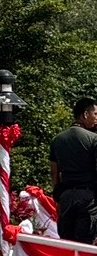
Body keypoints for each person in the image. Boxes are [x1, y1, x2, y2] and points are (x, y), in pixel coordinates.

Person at [50, 98, 97, 243]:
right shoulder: (93, 139)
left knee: (67, 243)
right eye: (95, 114)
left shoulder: (57, 140)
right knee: (84, 244)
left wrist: (58, 198)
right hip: (88, 197)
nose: (96, 118)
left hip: (66, 197)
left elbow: (54, 174)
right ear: (85, 114)